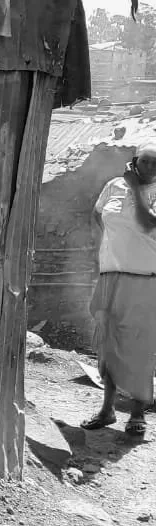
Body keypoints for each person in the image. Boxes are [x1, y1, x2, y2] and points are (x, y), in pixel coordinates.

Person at [82, 145, 156, 439]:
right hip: (111, 275)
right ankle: (107, 409)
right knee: (107, 343)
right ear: (135, 161)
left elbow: (147, 223)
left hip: (145, 278)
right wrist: (104, 248)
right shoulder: (113, 185)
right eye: (146, 162)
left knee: (139, 345)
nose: (151, 167)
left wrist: (137, 189)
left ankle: (137, 413)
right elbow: (98, 214)